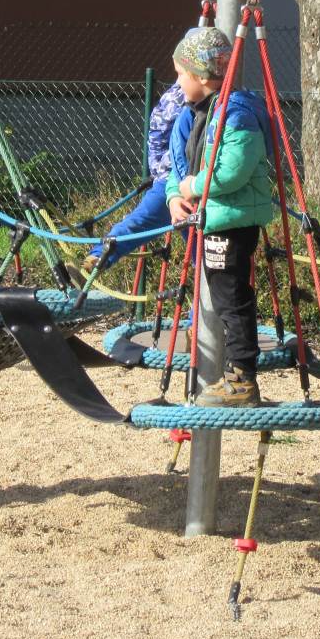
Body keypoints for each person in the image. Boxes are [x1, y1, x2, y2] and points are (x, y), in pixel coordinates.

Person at [164, 26, 276, 408]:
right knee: (225, 297)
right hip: (213, 220)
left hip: (232, 222)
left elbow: (231, 171)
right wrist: (175, 195)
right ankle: (237, 374)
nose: (177, 82)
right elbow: (178, 165)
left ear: (200, 75)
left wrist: (193, 187)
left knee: (232, 300)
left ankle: (242, 378)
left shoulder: (236, 112)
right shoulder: (195, 114)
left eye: (181, 74)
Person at [82, 78, 190, 273]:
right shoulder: (186, 99)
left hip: (173, 178)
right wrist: (161, 171)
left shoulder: (177, 96)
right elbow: (161, 136)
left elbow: (157, 136)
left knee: (138, 223)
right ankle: (98, 258)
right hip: (178, 180)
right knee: (201, 249)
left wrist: (158, 168)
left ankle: (99, 257)